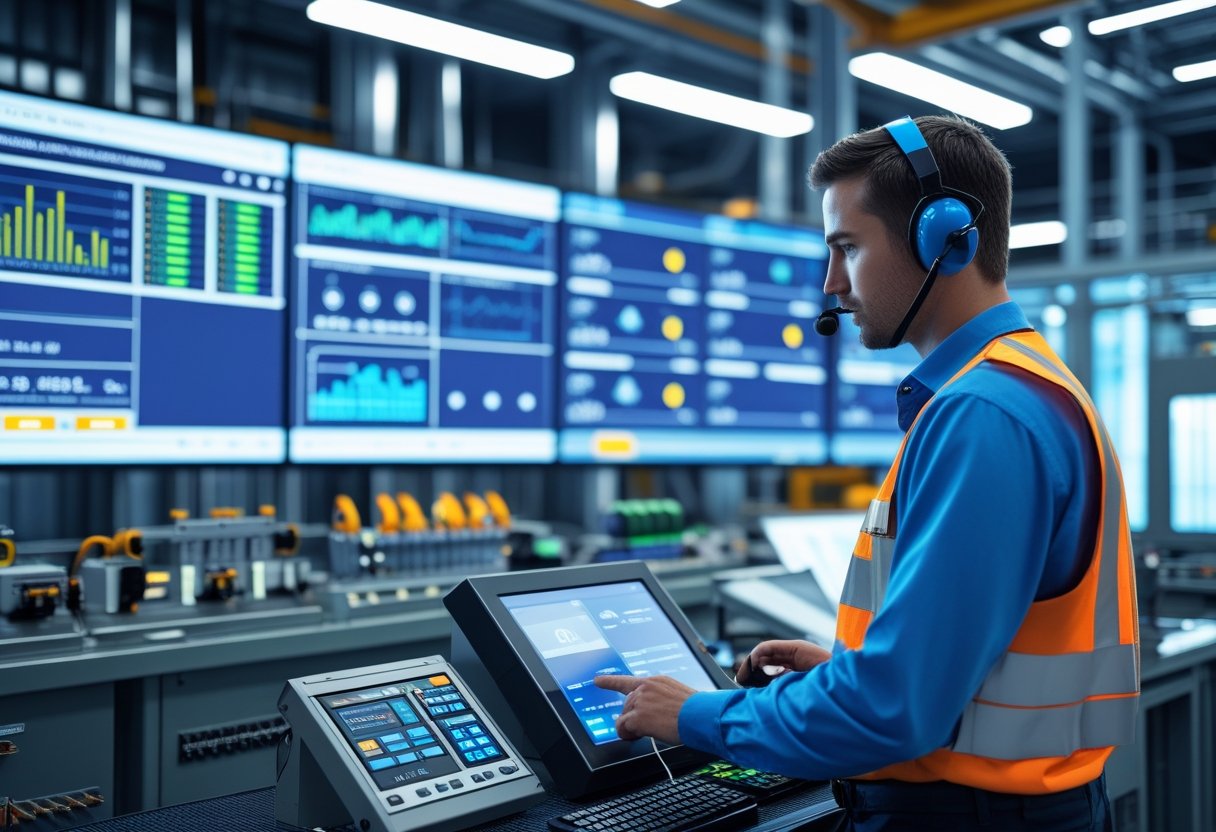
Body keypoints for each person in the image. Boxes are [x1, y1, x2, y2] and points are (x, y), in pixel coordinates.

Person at [595, 115, 1140, 831]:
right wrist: (845, 670)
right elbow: (954, 676)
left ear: (943, 240)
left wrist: (694, 713)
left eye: (847, 248)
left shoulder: (982, 416)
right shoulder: (1023, 387)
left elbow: (894, 710)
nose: (832, 283)